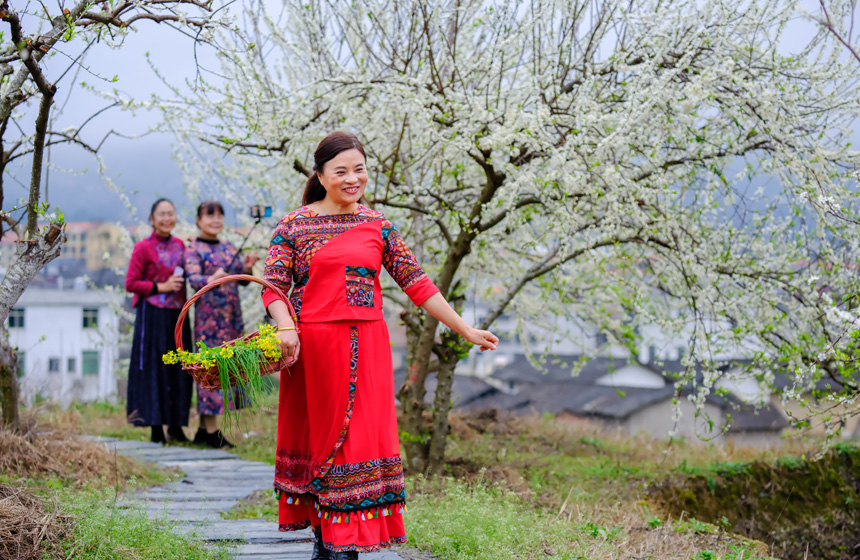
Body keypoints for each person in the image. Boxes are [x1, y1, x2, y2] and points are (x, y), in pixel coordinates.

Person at [261, 132, 499, 559]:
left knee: (358, 441)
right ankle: (327, 535)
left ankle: (341, 544)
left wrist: (465, 329)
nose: (353, 179)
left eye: (360, 169)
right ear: (320, 175)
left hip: (366, 347)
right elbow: (273, 289)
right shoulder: (293, 225)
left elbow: (417, 282)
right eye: (342, 171)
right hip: (313, 348)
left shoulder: (378, 225)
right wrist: (284, 327)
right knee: (322, 438)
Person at [184, 200, 259, 449]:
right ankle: (212, 431)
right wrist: (210, 279)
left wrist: (247, 267)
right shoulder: (194, 249)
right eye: (209, 216)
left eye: (219, 216)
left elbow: (240, 278)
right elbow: (193, 278)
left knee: (228, 367)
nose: (215, 221)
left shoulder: (228, 248)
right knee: (209, 368)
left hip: (231, 317)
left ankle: (206, 431)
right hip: (209, 320)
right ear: (198, 220)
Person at [125, 198, 193, 444]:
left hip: (179, 315)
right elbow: (130, 283)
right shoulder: (143, 247)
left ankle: (176, 426)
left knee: (180, 369)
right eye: (162, 214)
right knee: (155, 369)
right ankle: (155, 426)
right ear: (152, 219)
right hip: (152, 316)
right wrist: (160, 286)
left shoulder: (183, 247)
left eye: (171, 213)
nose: (167, 218)